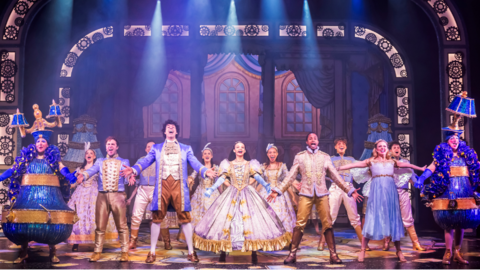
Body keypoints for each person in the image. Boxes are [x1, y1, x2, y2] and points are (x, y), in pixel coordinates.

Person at [120, 120, 217, 263]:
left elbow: (195, 162)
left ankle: (191, 251)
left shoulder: (186, 148)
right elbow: (146, 161)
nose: (170, 128)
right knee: (157, 218)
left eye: (173, 127)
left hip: (179, 186)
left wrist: (205, 170)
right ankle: (152, 252)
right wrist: (133, 169)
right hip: (162, 186)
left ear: (176, 132)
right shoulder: (157, 148)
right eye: (167, 127)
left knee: (185, 218)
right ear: (165, 132)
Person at [267, 132, 363, 265]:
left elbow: (335, 175)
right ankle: (292, 254)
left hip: (322, 194)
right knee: (300, 224)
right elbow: (290, 177)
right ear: (307, 142)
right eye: (310, 138)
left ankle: (333, 255)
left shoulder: (324, 157)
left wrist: (350, 190)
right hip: (306, 194)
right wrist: (278, 191)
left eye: (315, 138)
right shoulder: (300, 157)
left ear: (318, 142)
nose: (313, 140)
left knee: (328, 223)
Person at [0, 105, 77, 264]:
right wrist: (1, 177)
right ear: (34, 143)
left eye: (43, 141)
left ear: (47, 143)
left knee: (53, 225)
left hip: (50, 200)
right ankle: (23, 251)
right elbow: (13, 170)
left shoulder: (53, 159)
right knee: (20, 223)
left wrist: (70, 176)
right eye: (38, 141)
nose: (40, 143)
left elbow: (62, 169)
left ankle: (53, 250)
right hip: (28, 199)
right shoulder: (26, 159)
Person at [193, 141, 290, 264]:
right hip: (231, 193)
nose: (240, 149)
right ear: (234, 150)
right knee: (227, 221)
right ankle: (223, 251)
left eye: (242, 147)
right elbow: (222, 178)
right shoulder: (228, 164)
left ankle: (253, 251)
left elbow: (256, 176)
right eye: (237, 147)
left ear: (244, 151)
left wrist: (265, 185)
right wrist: (212, 188)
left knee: (251, 221)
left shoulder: (250, 164)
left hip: (247, 193)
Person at [337, 139, 425, 263]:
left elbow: (408, 165)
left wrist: (420, 168)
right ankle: (362, 250)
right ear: (376, 149)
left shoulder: (392, 162)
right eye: (380, 146)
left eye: (384, 146)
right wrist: (339, 167)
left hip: (390, 192)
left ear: (387, 148)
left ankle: (399, 251)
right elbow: (353, 165)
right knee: (371, 219)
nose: (382, 148)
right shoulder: (371, 161)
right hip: (376, 193)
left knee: (393, 220)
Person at [415, 122, 480, 265]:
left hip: (464, 191)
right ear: (447, 140)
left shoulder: (467, 154)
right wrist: (422, 178)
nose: (455, 140)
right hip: (447, 191)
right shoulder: (442, 154)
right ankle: (448, 251)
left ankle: (457, 252)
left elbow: (476, 166)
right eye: (452, 138)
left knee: (461, 222)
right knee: (448, 223)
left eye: (457, 137)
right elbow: (432, 167)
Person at [76, 136, 136, 262]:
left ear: (117, 147)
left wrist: (130, 176)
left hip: (118, 196)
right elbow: (91, 170)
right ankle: (97, 252)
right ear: (106, 146)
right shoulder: (100, 161)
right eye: (108, 144)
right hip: (102, 196)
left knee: (122, 226)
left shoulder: (124, 161)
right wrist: (84, 175)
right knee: (100, 226)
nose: (110, 146)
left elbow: (127, 175)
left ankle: (124, 251)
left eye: (113, 144)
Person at [67, 143, 118, 252]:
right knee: (78, 216)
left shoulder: (97, 168)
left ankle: (97, 242)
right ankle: (76, 241)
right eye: (87, 153)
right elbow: (74, 182)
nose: (89, 154)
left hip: (93, 194)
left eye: (91, 153)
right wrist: (71, 184)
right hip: (80, 194)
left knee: (95, 216)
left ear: (94, 156)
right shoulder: (79, 169)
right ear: (85, 156)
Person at [318, 138, 367, 251]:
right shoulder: (330, 159)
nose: (341, 145)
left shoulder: (351, 159)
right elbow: (323, 173)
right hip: (335, 187)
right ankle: (322, 241)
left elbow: (358, 172)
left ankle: (363, 243)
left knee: (354, 217)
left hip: (349, 187)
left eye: (343, 144)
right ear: (335, 147)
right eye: (339, 144)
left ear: (346, 146)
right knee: (330, 216)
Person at [388, 141, 426, 251]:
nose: (397, 149)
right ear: (390, 150)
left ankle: (416, 243)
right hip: (390, 193)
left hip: (403, 192)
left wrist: (419, 185)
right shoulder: (387, 162)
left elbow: (412, 176)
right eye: (394, 147)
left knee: (408, 218)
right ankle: (386, 241)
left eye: (398, 147)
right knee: (389, 217)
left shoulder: (405, 162)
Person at [258, 144, 296, 234]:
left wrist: (293, 195)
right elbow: (261, 182)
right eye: (270, 152)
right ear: (267, 154)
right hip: (266, 192)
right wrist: (254, 193)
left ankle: (281, 236)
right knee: (267, 214)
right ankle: (269, 235)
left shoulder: (282, 166)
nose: (272, 154)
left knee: (280, 214)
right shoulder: (263, 167)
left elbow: (287, 181)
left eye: (274, 152)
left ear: (277, 154)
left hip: (279, 193)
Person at [188, 143, 220, 231]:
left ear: (212, 156)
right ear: (202, 156)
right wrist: (189, 180)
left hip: (212, 193)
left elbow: (218, 182)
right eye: (205, 153)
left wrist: (222, 194)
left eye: (208, 153)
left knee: (212, 213)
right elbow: (192, 176)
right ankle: (197, 236)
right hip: (200, 193)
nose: (207, 155)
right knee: (196, 214)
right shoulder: (199, 168)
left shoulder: (216, 168)